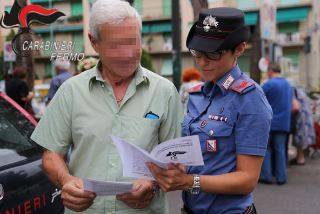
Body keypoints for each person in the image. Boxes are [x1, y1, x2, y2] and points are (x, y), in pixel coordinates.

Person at [30, 0, 184, 213]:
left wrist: (154, 184)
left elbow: (177, 163)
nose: (128, 53)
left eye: (133, 41)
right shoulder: (70, 91)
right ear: (94, 43)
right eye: (115, 45)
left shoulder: (165, 92)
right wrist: (66, 180)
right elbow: (52, 155)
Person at [147, 7, 272, 214]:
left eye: (213, 53)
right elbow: (202, 158)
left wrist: (188, 181)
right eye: (197, 52)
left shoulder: (249, 98)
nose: (202, 61)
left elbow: (247, 180)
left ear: (239, 49)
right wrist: (179, 169)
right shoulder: (197, 95)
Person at [259, 62, 293, 185]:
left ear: (269, 70)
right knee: (280, 150)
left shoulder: (268, 84)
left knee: (265, 150)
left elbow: (258, 102)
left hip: (269, 122)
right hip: (284, 123)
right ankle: (281, 177)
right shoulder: (288, 85)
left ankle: (266, 176)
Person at [290, 87, 315, 165]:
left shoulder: (293, 92)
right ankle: (300, 156)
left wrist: (291, 114)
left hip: (300, 118)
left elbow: (295, 107)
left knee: (299, 138)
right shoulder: (301, 92)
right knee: (303, 137)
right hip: (306, 117)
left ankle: (300, 159)